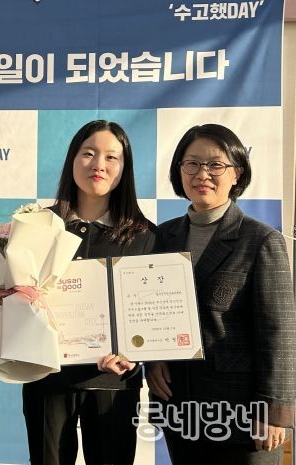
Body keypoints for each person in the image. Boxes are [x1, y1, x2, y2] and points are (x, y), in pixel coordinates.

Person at [145, 123, 296, 465]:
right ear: (179, 170)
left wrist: (274, 410)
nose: (203, 174)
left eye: (215, 164)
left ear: (236, 173)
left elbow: (280, 333)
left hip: (244, 414)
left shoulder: (260, 240)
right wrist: (152, 361)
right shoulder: (162, 238)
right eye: (192, 163)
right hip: (180, 406)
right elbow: (149, 313)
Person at [22, 120, 157, 465]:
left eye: (112, 157)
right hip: (48, 378)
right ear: (72, 159)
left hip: (113, 383)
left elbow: (153, 316)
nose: (99, 165)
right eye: (88, 153)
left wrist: (135, 352)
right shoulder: (37, 226)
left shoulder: (145, 237)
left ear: (124, 169)